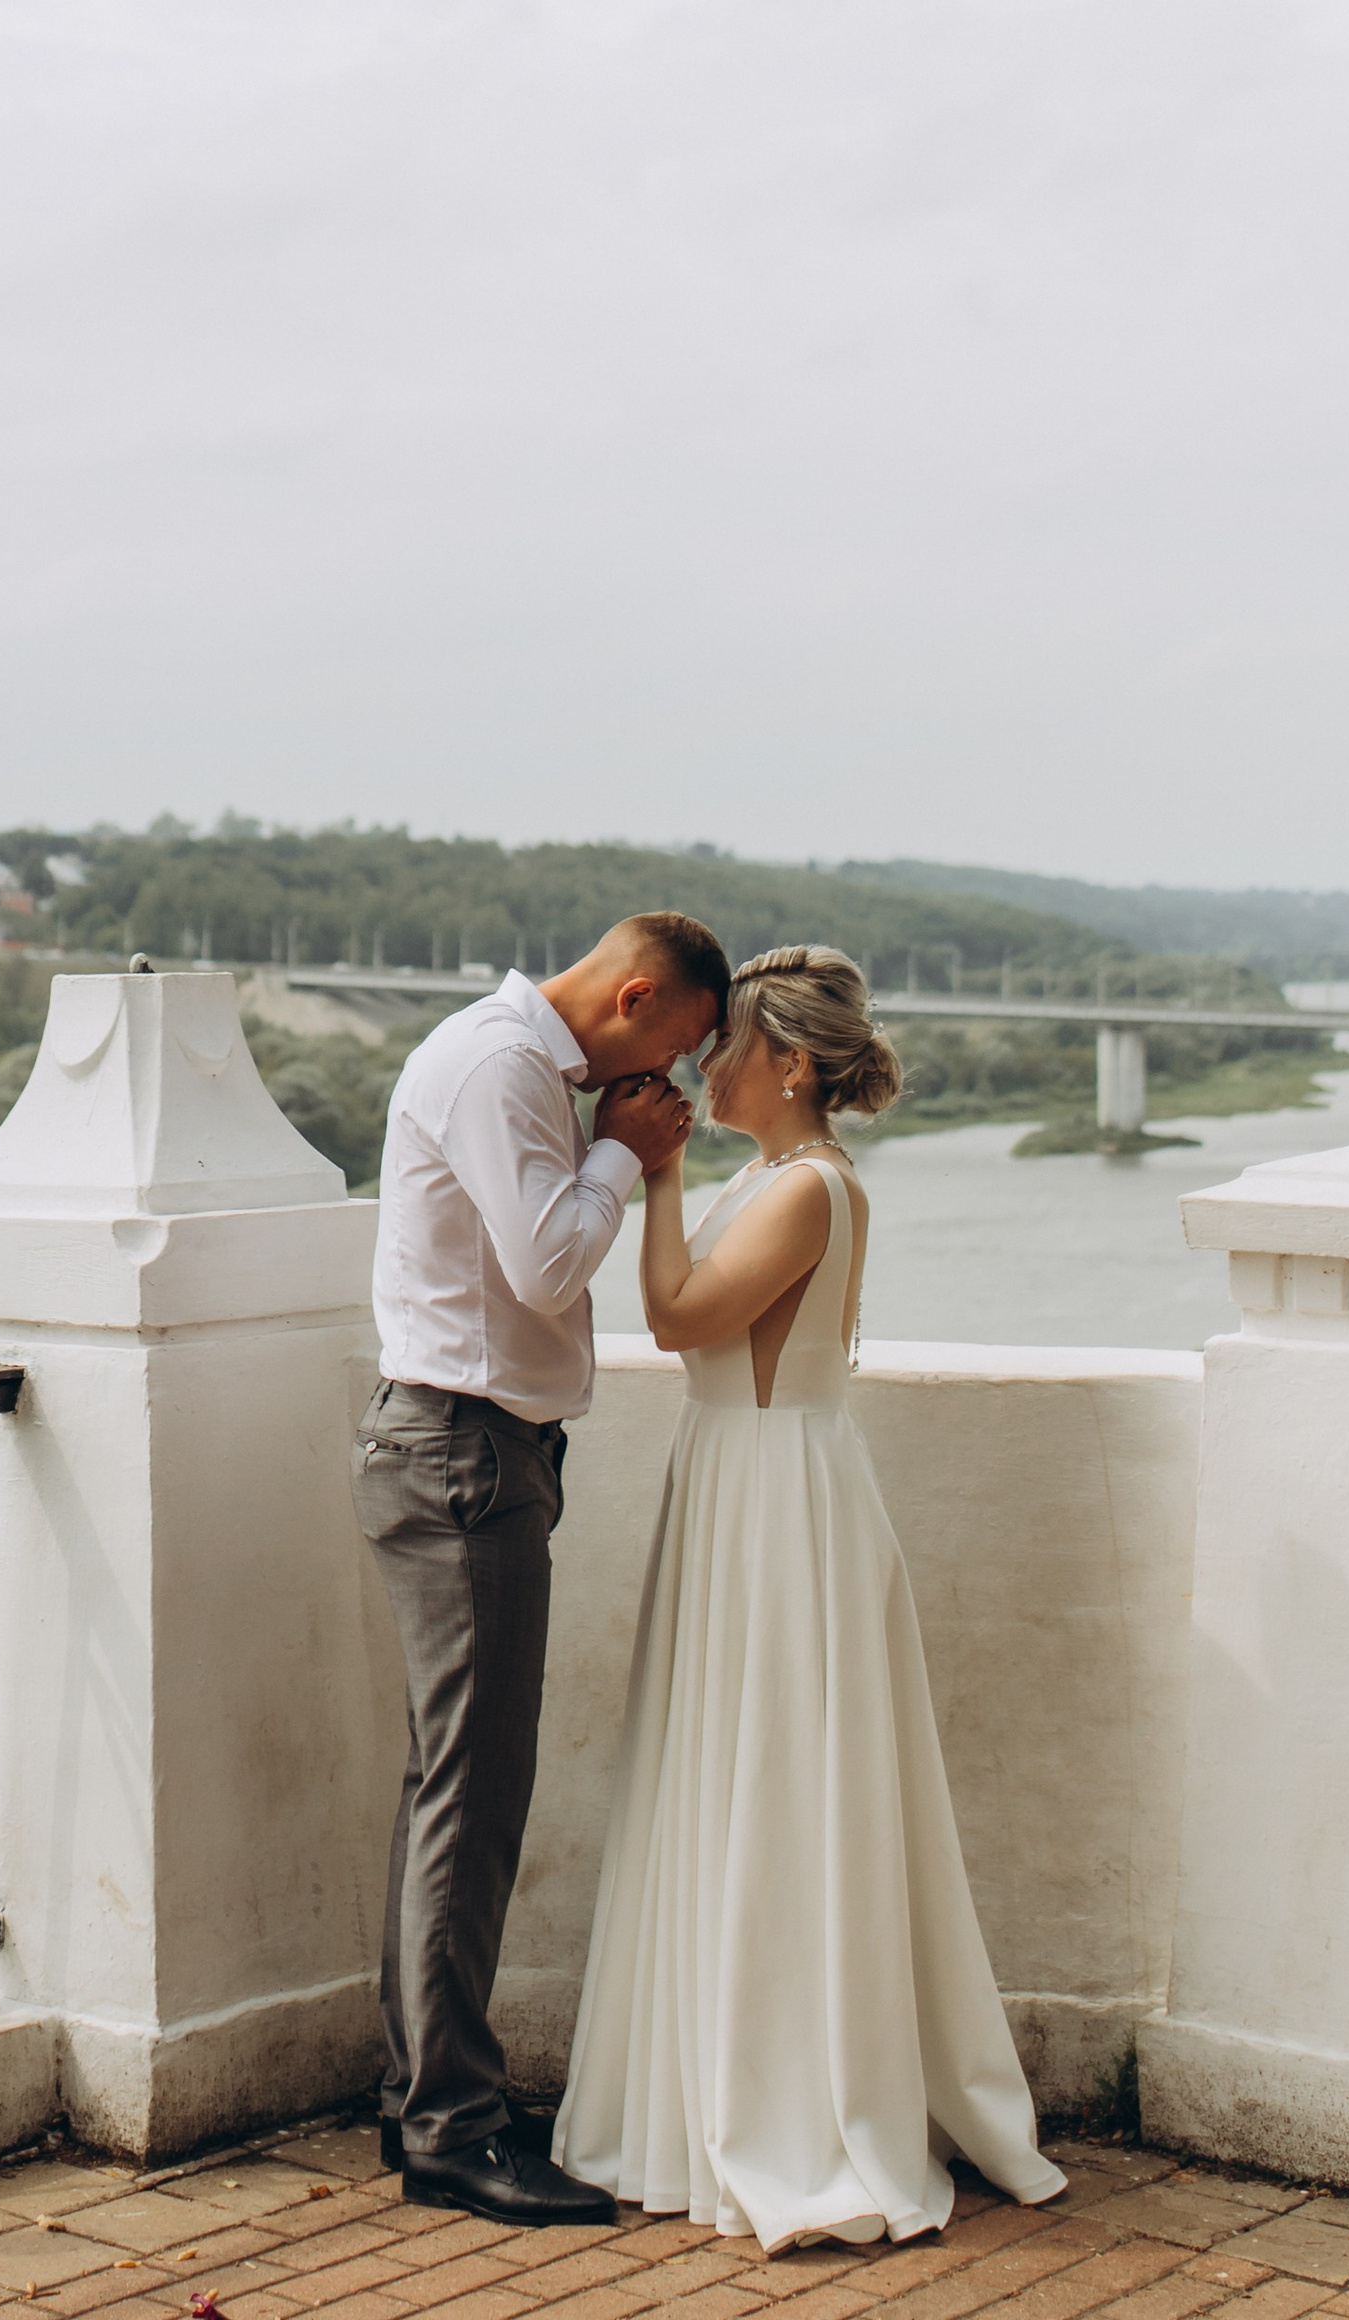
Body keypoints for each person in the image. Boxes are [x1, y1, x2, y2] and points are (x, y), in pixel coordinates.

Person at [553, 944, 1066, 2251]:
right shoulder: (773, 1177)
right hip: (738, 1480)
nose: (699, 1065)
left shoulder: (807, 1191)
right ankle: (709, 2080)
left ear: (786, 1063)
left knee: (781, 1780)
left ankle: (791, 2101)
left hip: (778, 1499)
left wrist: (653, 1172)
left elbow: (673, 1318)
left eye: (725, 1049)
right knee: (723, 1770)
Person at [357, 912, 729, 2226]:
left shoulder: (520, 1066)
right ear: (632, 995)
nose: (663, 1087)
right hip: (462, 1455)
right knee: (476, 1794)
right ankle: (454, 2129)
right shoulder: (504, 1069)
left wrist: (609, 1132)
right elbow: (549, 1259)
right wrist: (624, 1157)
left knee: (443, 1786)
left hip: (475, 1451)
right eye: (668, 1051)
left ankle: (423, 2102)